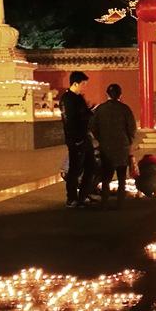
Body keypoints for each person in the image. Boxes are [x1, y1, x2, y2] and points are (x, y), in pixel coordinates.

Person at [90, 84, 137, 209]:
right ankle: (120, 203)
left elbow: (93, 126)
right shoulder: (125, 109)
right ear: (120, 95)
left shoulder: (100, 109)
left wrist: (100, 139)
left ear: (107, 94)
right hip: (122, 147)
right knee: (121, 177)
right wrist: (129, 140)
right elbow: (132, 128)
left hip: (106, 147)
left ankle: (104, 202)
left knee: (106, 177)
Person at [61, 71, 95, 208]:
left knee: (90, 166)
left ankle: (83, 195)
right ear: (75, 83)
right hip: (76, 139)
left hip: (85, 137)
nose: (84, 86)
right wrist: (76, 139)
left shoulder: (79, 98)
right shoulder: (67, 99)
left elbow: (85, 114)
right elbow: (70, 121)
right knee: (75, 169)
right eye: (83, 84)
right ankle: (71, 198)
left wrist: (91, 111)